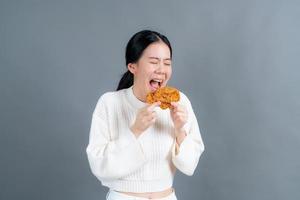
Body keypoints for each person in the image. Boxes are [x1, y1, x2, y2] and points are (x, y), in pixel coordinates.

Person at [86, 30, 205, 200]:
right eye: (154, 62)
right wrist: (135, 130)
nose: (161, 70)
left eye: (167, 63)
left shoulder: (180, 103)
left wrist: (180, 131)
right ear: (132, 66)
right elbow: (100, 167)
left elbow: (189, 166)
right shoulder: (110, 103)